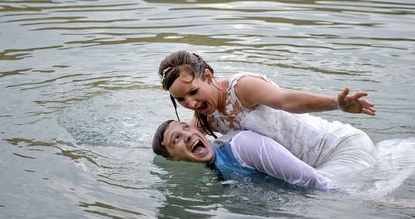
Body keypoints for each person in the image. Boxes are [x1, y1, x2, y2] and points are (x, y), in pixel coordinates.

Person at [158, 50, 377, 181]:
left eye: (193, 92)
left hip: (337, 148)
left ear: (207, 76)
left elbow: (286, 100)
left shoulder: (242, 87)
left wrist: (336, 104)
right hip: (309, 169)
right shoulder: (204, 117)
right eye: (181, 100)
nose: (190, 103)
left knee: (338, 197)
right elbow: (180, 143)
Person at [152, 120, 333, 190]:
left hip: (332, 176)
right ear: (173, 158)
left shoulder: (242, 144)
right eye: (177, 138)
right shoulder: (207, 165)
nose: (188, 135)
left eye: (186, 128)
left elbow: (311, 178)